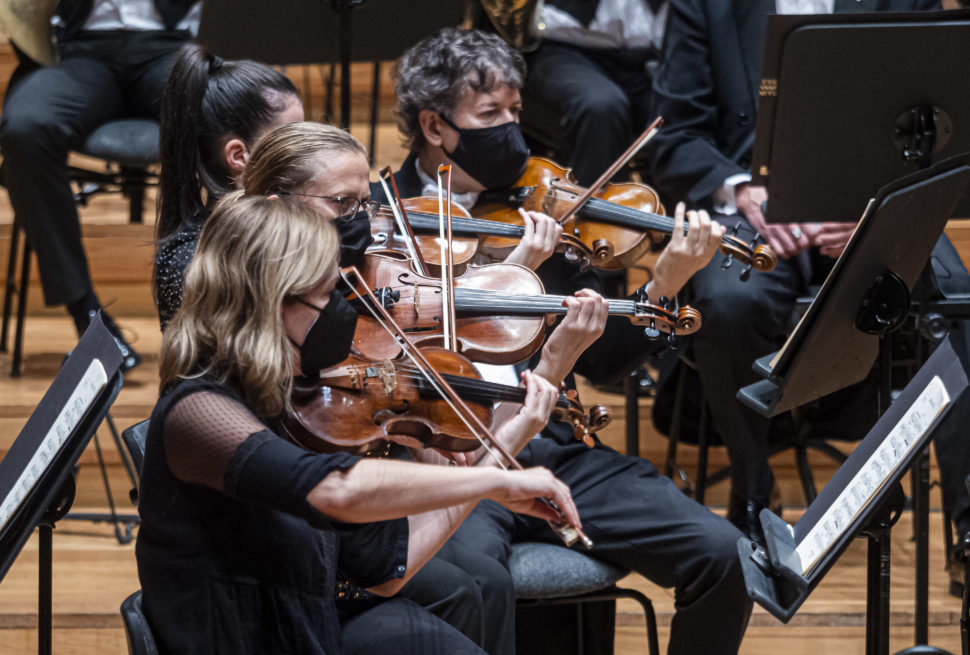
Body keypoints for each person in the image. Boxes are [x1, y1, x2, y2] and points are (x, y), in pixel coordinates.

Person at [370, 27, 752, 655]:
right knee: (472, 582)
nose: (512, 132)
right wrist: (511, 274)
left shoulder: (544, 213)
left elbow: (607, 361)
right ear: (435, 128)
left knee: (724, 552)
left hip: (552, 443)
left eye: (516, 111)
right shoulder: (386, 220)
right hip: (447, 459)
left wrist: (663, 284)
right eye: (490, 114)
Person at [137, 191, 581, 654]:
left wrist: (488, 462)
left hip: (308, 625)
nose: (344, 314)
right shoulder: (198, 410)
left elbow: (385, 569)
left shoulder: (297, 395)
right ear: (269, 300)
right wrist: (489, 481)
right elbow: (337, 490)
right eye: (326, 296)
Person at [240, 119, 615, 653]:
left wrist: (444, 442)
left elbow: (415, 425)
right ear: (279, 205)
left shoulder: (352, 279)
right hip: (303, 562)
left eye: (366, 204)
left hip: (353, 509)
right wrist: (501, 453)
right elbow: (364, 536)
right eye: (343, 204)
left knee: (482, 581)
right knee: (467, 586)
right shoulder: (287, 313)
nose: (366, 226)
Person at [645, 0, 962, 542]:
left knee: (958, 300)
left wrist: (879, 198)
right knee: (727, 304)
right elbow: (674, 139)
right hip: (753, 211)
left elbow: (944, 122)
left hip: (877, 202)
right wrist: (741, 189)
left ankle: (967, 524)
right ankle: (752, 490)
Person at [0, 0, 203, 370]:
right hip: (78, 51)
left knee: (229, 112)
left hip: (171, 46)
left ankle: (221, 311)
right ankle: (87, 314)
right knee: (26, 129)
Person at [154, 43, 304, 328]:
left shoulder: (286, 218)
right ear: (239, 156)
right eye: (292, 140)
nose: (307, 152)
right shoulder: (191, 260)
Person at [504, 0, 669, 186]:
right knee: (600, 107)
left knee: (685, 109)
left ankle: (693, 210)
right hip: (564, 43)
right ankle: (598, 211)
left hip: (659, 49)